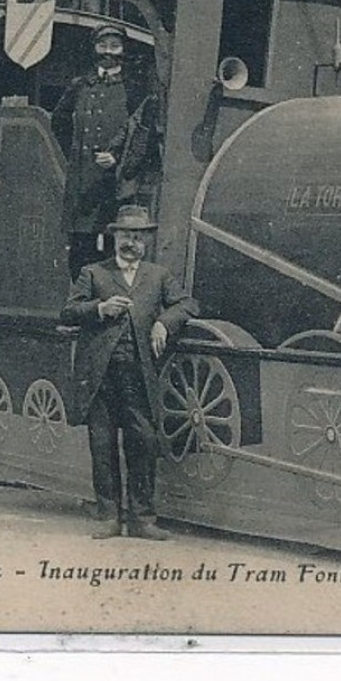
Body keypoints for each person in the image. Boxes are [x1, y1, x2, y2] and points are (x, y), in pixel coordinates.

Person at [61, 205, 196, 540]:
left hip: (139, 374)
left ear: (146, 241)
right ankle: (108, 517)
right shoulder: (93, 273)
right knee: (102, 444)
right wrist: (100, 309)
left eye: (137, 237)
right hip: (100, 375)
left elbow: (188, 304)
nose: (130, 243)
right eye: (125, 236)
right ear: (114, 237)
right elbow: (67, 311)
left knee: (144, 442)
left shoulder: (158, 275)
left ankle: (142, 519)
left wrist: (164, 323)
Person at [51, 22, 165, 275]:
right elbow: (58, 121)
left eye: (115, 46)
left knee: (119, 247)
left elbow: (142, 133)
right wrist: (77, 153)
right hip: (83, 181)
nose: (108, 52)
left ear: (123, 50)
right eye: (102, 45)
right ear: (94, 48)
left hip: (117, 182)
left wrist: (118, 158)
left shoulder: (134, 88)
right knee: (81, 247)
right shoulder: (80, 85)